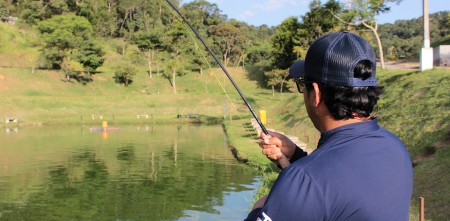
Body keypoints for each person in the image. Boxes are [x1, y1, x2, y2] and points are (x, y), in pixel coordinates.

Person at [244, 31, 413, 221]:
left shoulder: (304, 180)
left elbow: (321, 187)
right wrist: (297, 157)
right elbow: (342, 189)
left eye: (302, 85)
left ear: (316, 93)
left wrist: (260, 207)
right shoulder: (395, 147)